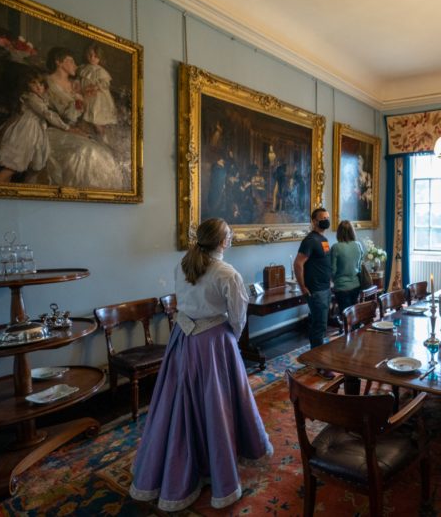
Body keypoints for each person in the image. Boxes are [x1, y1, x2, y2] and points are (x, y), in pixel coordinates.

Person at [130, 218, 272, 511]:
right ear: (222, 241)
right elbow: (238, 317)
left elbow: (183, 304)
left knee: (178, 403)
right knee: (215, 405)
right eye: (229, 236)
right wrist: (228, 339)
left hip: (181, 340)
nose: (230, 239)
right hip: (213, 344)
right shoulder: (227, 273)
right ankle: (215, 468)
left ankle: (178, 463)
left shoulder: (182, 265)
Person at [44, 47, 126, 190]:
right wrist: (81, 101)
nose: (76, 65)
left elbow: (84, 113)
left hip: (76, 128)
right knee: (85, 151)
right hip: (57, 129)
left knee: (103, 153)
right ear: (59, 62)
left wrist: (86, 100)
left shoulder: (75, 84)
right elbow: (64, 114)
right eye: (71, 61)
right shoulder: (48, 83)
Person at [0, 70, 70, 183]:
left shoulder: (40, 98)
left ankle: (3, 192)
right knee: (12, 165)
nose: (38, 86)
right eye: (34, 83)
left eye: (40, 84)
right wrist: (66, 127)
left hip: (34, 132)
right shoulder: (31, 98)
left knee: (15, 167)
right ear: (27, 85)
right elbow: (46, 114)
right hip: (25, 131)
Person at [294, 208, 333, 376]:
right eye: (322, 218)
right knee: (319, 327)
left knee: (320, 325)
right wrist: (302, 287)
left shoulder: (323, 239)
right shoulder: (309, 240)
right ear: (314, 221)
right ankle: (319, 364)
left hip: (325, 288)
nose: (325, 220)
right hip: (316, 290)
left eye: (327, 217)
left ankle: (315, 359)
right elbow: (298, 263)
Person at [77, 42, 118, 143]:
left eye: (95, 56)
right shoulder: (83, 68)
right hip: (85, 95)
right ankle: (87, 138)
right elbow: (79, 79)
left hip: (97, 98)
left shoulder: (100, 71)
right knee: (85, 119)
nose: (92, 58)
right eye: (90, 55)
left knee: (96, 119)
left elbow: (105, 84)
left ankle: (103, 138)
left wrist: (96, 86)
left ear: (99, 58)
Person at [331, 220, 364, 319]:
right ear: (352, 231)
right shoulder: (358, 245)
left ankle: (348, 333)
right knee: (354, 313)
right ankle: (356, 332)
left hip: (342, 286)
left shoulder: (336, 247)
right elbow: (359, 266)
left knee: (345, 316)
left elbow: (333, 270)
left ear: (339, 232)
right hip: (356, 284)